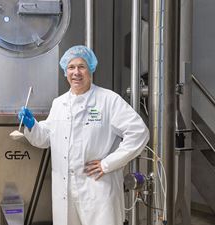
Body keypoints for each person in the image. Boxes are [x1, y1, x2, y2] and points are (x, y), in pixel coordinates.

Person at [18, 45, 149, 225]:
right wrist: (32, 126)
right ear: (65, 72)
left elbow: (139, 132)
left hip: (98, 189)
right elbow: (46, 139)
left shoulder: (108, 100)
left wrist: (107, 164)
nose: (76, 72)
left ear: (91, 70)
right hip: (65, 192)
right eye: (71, 67)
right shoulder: (59, 103)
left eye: (81, 66)